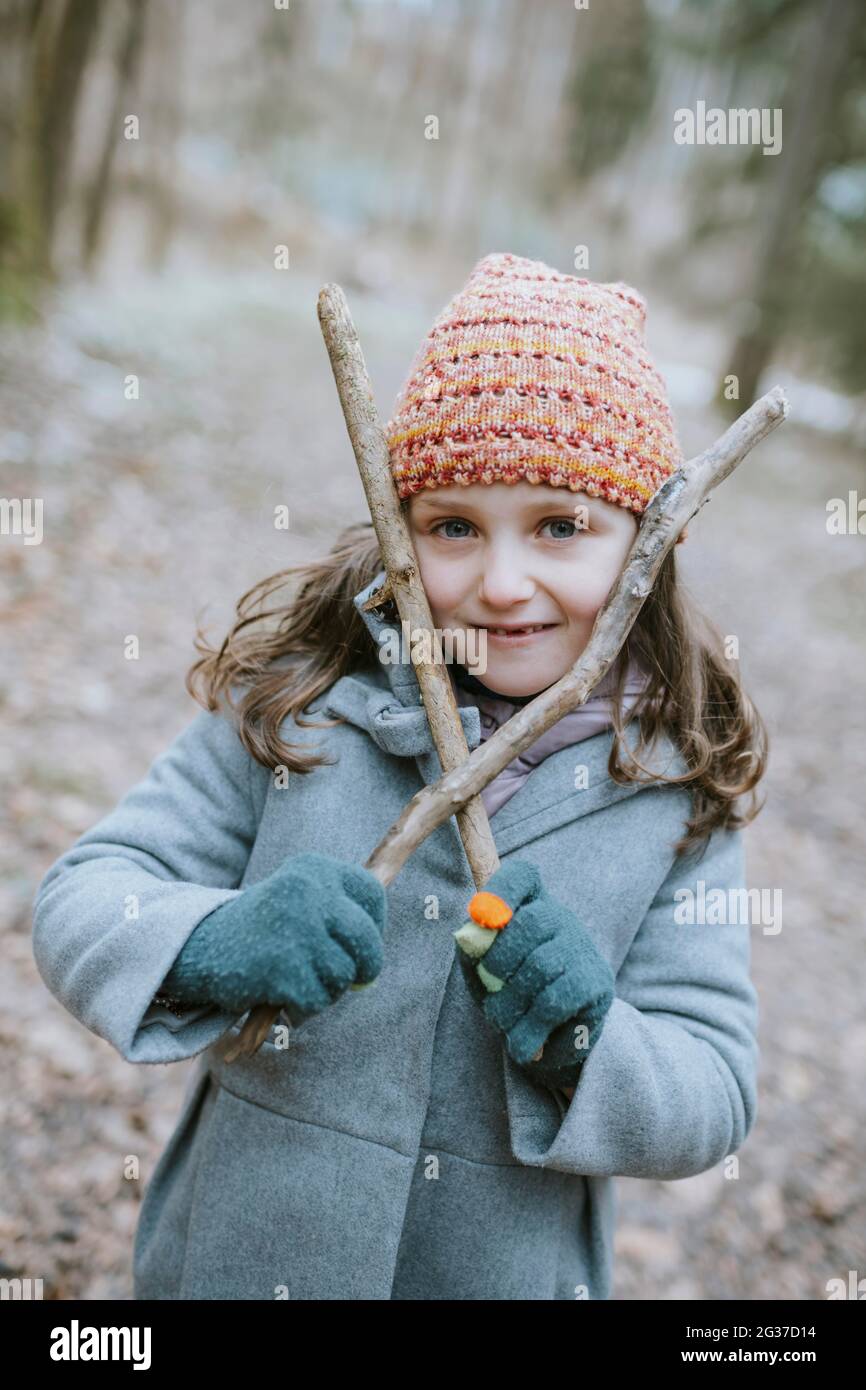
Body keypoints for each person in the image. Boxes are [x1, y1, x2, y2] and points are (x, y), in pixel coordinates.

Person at [31, 251, 765, 1301]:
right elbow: (86, 896)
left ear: (646, 542)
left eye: (560, 526)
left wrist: (586, 1036)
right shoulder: (302, 704)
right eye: (452, 526)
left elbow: (713, 1085)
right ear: (398, 527)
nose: (501, 584)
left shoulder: (671, 791)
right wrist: (213, 939)